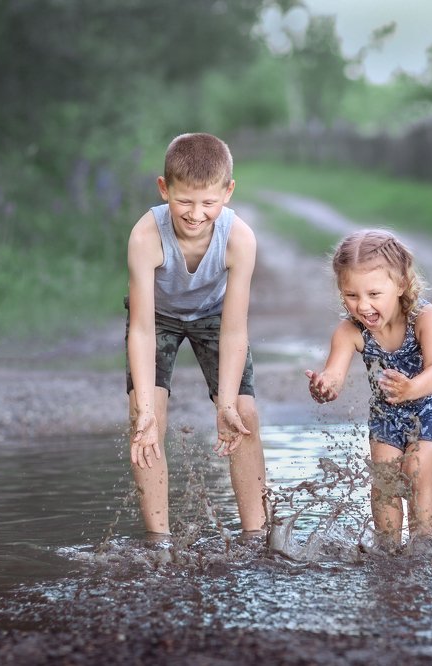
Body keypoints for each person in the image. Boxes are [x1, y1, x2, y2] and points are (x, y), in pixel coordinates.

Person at [125, 132, 267, 536]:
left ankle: (256, 534)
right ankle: (159, 540)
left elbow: (234, 329)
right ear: (164, 188)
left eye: (208, 202)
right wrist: (146, 410)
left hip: (215, 315)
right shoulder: (145, 237)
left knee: (243, 414)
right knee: (145, 417)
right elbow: (141, 329)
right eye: (184, 201)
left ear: (228, 192)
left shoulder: (239, 239)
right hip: (157, 317)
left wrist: (226, 404)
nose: (195, 213)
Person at [305, 229, 432, 548]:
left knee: (415, 467)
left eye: (374, 294)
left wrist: (412, 388)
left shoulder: (424, 317)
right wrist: (325, 386)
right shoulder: (349, 331)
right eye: (352, 295)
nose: (363, 305)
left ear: (401, 284)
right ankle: (387, 547)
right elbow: (335, 373)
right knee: (384, 476)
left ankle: (424, 544)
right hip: (389, 403)